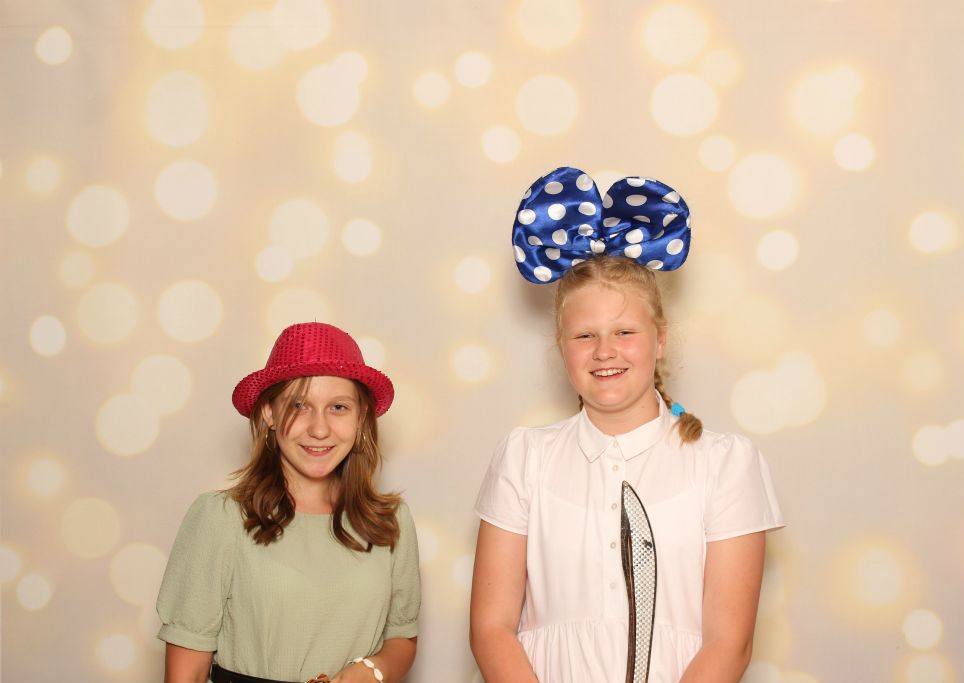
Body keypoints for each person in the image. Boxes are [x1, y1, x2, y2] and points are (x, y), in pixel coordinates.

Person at [470, 167, 784, 682]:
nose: (605, 351)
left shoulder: (724, 464)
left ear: (660, 340)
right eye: (584, 336)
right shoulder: (525, 458)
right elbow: (491, 628)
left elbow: (729, 642)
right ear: (561, 347)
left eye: (624, 332)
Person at [157, 322, 420, 683]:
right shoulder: (220, 517)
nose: (319, 429)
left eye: (338, 407)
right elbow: (187, 670)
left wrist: (374, 670)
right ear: (269, 413)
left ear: (361, 416)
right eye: (299, 405)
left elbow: (401, 636)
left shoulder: (391, 521)